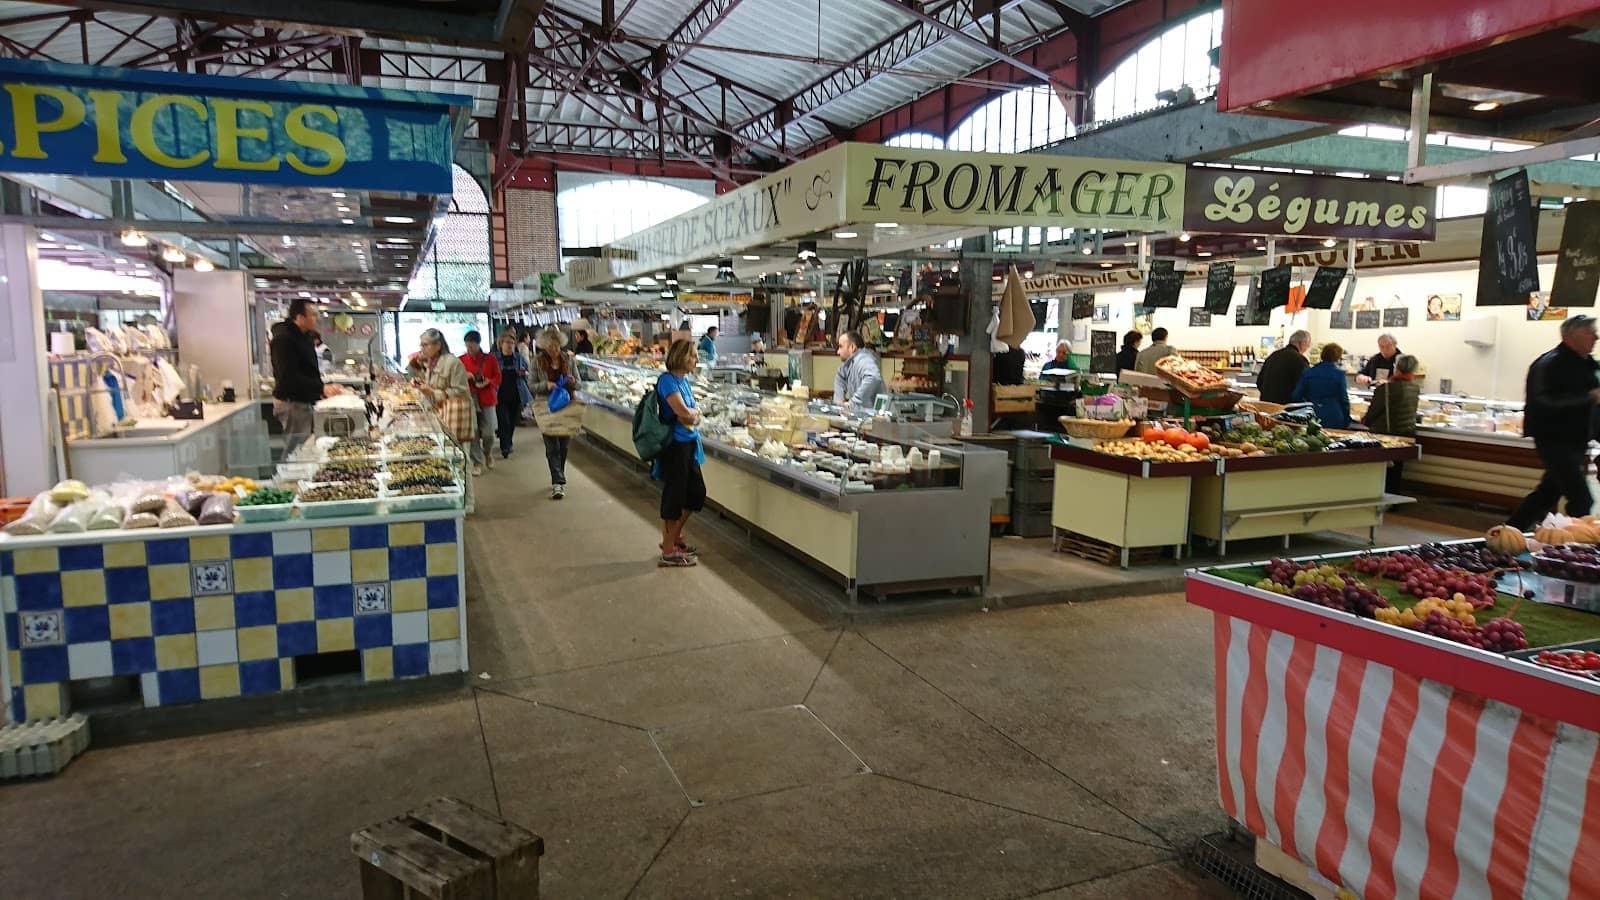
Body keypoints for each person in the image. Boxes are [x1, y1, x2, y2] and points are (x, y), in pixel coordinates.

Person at [1508, 316, 1600, 529]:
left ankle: (1509, 531)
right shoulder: (1548, 363)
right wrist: (1588, 397)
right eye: (1590, 332)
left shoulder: (1587, 364)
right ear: (1570, 335)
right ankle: (1576, 548)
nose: (1596, 337)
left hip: (1577, 441)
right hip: (1553, 440)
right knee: (1582, 499)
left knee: (1547, 494)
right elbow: (1541, 402)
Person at [654, 339, 705, 567]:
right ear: (682, 357)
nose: (696, 360)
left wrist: (692, 414)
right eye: (693, 355)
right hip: (675, 447)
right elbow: (685, 413)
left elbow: (690, 414)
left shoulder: (683, 381)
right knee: (674, 497)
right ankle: (668, 550)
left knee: (696, 493)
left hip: (689, 444)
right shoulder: (667, 381)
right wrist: (693, 414)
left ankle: (673, 538)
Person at [269, 299, 340, 456]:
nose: (318, 318)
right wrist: (321, 387)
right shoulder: (284, 339)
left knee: (304, 448)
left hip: (304, 401)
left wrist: (320, 391)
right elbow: (288, 378)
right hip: (292, 403)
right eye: (314, 315)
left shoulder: (305, 336)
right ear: (299, 317)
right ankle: (286, 479)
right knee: (295, 451)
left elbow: (308, 369)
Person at [409, 327, 475, 469]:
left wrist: (433, 392)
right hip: (439, 415)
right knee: (448, 457)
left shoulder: (453, 363)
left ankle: (467, 491)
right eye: (421, 345)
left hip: (455, 416)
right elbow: (433, 387)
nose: (422, 348)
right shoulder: (432, 362)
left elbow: (460, 391)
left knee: (461, 457)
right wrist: (422, 386)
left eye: (425, 345)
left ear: (438, 345)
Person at [532, 327, 580, 499]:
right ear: (544, 347)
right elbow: (531, 384)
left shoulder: (569, 360)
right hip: (546, 407)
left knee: (564, 446)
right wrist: (546, 385)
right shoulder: (537, 362)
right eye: (550, 346)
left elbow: (579, 384)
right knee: (551, 446)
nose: (554, 350)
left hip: (566, 406)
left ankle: (559, 474)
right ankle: (557, 482)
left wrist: (573, 381)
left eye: (557, 346)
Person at [1364, 353, 1421, 491]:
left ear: (1396, 368)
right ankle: (1394, 499)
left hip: (1385, 434)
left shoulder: (1386, 389)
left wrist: (1365, 421)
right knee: (1396, 470)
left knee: (1382, 470)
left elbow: (1372, 413)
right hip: (1405, 434)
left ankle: (1379, 497)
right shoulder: (1415, 388)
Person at [459, 331, 502, 474]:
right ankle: (477, 462)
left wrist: (487, 381)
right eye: (467, 347)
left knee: (489, 432)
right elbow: (456, 379)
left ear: (478, 344)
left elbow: (498, 378)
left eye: (471, 346)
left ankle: (488, 452)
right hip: (469, 399)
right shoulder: (461, 360)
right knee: (474, 432)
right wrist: (467, 376)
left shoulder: (490, 359)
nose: (469, 350)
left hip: (487, 399)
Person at [1292, 342, 1353, 428]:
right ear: (1338, 357)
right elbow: (1344, 400)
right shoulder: (1339, 375)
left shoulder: (1308, 372)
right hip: (1334, 415)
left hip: (1311, 414)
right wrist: (1347, 419)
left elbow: (1296, 396)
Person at [493, 330, 527, 459]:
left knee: (512, 420)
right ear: (501, 344)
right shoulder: (495, 358)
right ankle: (504, 446)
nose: (510, 345)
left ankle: (508, 441)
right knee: (504, 421)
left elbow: (527, 371)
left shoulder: (518, 358)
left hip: (516, 393)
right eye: (507, 342)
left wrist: (524, 373)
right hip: (499, 394)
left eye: (512, 343)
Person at [834, 330, 886, 412]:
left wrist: (854, 402)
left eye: (841, 347)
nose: (838, 352)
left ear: (852, 347)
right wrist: (839, 404)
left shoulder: (864, 360)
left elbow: (873, 377)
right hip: (861, 417)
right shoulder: (846, 365)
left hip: (875, 417)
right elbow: (840, 378)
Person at [1257, 330, 1312, 404]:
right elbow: (1305, 387)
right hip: (1287, 407)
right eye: (1307, 345)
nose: (1307, 348)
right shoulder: (1300, 360)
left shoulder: (1273, 356)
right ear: (1302, 344)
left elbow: (1259, 381)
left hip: (1267, 406)